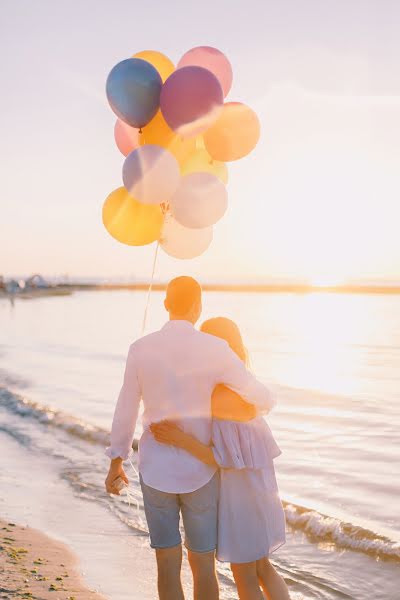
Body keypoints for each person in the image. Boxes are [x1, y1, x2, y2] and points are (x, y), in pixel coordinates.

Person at [105, 277, 275, 600]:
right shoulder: (215, 349)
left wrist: (117, 460)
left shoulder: (140, 349)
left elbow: (125, 407)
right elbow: (257, 393)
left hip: (155, 472)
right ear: (198, 306)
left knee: (167, 564)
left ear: (166, 304)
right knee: (203, 566)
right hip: (201, 474)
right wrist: (260, 406)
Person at [151, 317, 290, 600]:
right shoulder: (246, 389)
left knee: (245, 575)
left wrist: (179, 438)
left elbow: (220, 458)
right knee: (263, 568)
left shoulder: (222, 395)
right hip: (261, 494)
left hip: (242, 500)